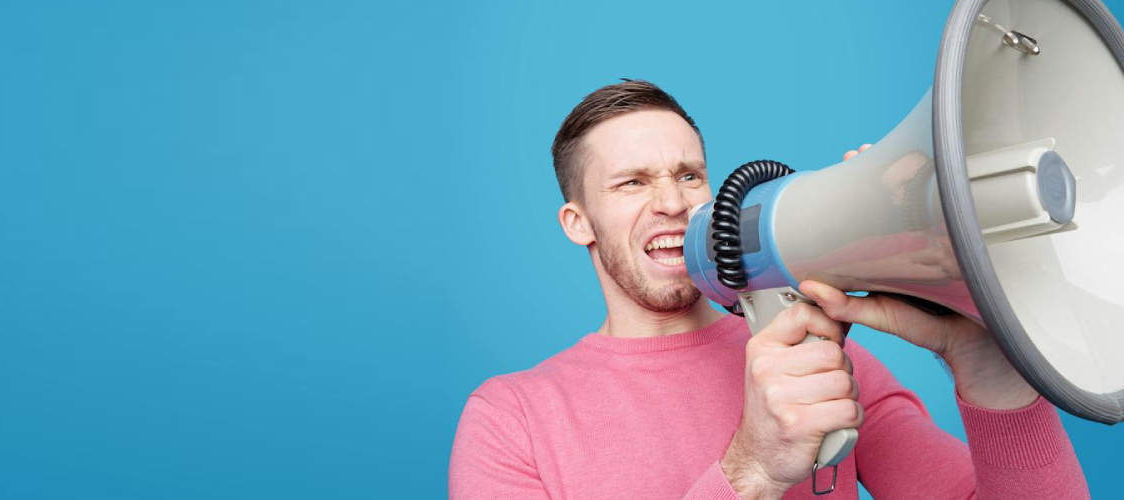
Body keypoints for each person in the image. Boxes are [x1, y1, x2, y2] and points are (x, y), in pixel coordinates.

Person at [448, 80, 1090, 499]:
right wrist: (752, 470)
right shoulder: (512, 420)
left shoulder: (819, 359)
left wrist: (992, 374)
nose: (672, 202)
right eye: (632, 183)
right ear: (577, 222)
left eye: (690, 175)